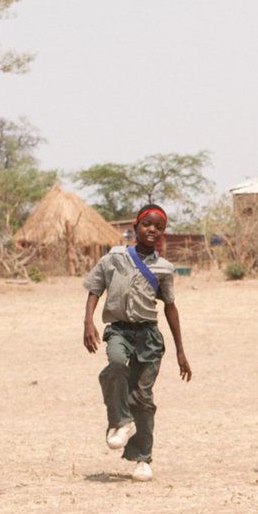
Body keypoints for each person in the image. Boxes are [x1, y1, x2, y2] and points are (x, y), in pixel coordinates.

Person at [83, 203, 192, 482]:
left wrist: (180, 351)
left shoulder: (164, 268)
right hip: (118, 330)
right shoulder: (114, 258)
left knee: (142, 397)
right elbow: (95, 288)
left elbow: (170, 307)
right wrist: (88, 321)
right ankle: (120, 421)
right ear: (135, 227)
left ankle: (142, 459)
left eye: (159, 226)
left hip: (148, 336)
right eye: (147, 224)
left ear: (164, 232)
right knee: (116, 364)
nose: (152, 230)